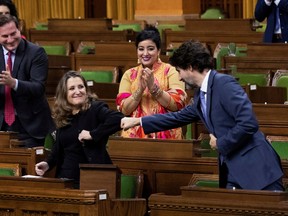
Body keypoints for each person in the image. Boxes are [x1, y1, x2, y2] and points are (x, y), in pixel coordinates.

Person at [121, 40, 284, 191]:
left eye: (179, 70)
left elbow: (249, 123)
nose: (179, 77)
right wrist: (138, 121)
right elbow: (178, 117)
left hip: (258, 171)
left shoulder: (224, 84)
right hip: (233, 172)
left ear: (190, 67)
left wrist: (221, 142)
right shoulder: (201, 95)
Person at [35, 71, 124, 188]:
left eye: (81, 87)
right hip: (65, 178)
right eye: (72, 88)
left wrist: (93, 134)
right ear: (64, 93)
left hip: (91, 178)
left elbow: (118, 118)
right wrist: (48, 163)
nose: (78, 91)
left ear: (86, 90)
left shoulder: (95, 108)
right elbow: (60, 147)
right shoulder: (64, 115)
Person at [116, 25, 186, 139]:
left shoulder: (170, 71)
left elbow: (177, 105)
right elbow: (123, 109)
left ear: (158, 50)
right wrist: (140, 90)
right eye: (141, 49)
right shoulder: (129, 74)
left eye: (150, 48)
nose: (145, 53)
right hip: (134, 134)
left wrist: (153, 88)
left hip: (166, 131)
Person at [0, 14, 54, 147]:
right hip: (2, 124)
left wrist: (14, 83)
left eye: (13, 34)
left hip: (31, 126)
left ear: (19, 30)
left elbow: (38, 87)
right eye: (5, 36)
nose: (10, 39)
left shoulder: (36, 53)